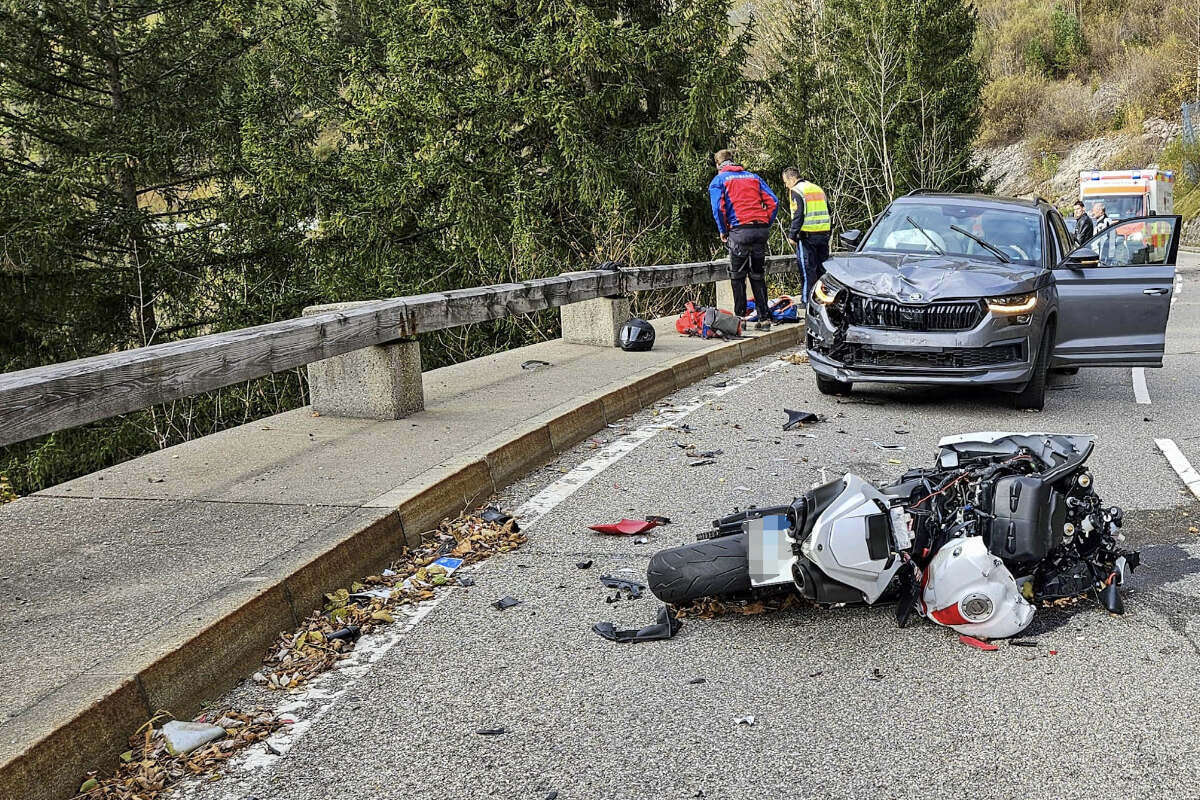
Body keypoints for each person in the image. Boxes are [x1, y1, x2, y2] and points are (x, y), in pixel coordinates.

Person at [709, 149, 778, 330]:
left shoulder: (719, 180)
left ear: (718, 164)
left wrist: (723, 230)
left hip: (739, 230)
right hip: (759, 230)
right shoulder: (753, 177)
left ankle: (740, 319)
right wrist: (765, 222)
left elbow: (719, 209)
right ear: (733, 160)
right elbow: (773, 201)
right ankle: (764, 318)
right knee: (757, 274)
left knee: (737, 276)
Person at [781, 168, 831, 304]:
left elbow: (798, 214)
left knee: (807, 270)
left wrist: (792, 235)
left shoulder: (796, 190)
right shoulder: (817, 188)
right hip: (823, 233)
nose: (786, 185)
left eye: (786, 182)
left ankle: (807, 301)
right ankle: (824, 300)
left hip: (807, 236)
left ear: (792, 179)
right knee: (823, 270)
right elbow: (828, 211)